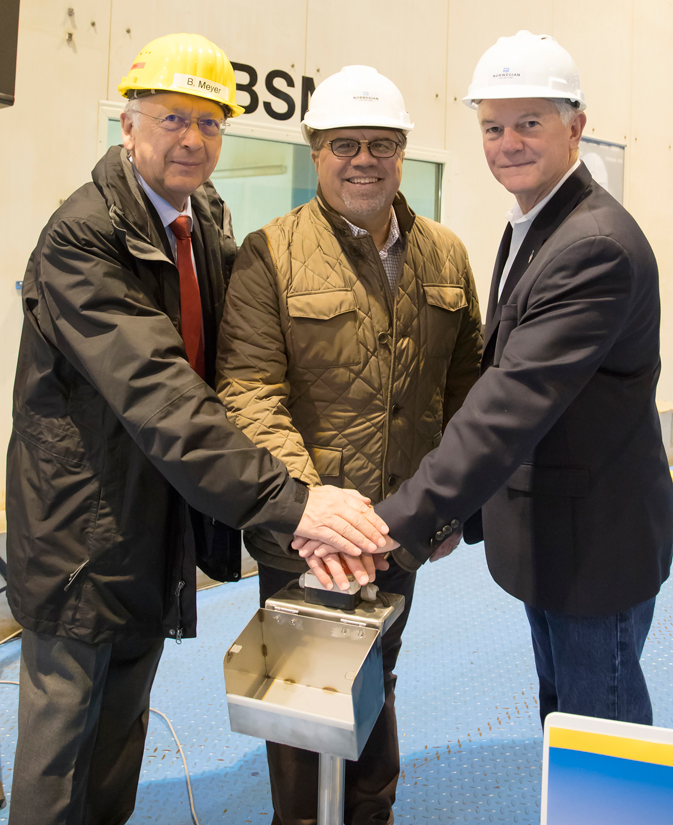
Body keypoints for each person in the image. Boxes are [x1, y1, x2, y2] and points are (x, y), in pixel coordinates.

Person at [5, 35, 388, 825]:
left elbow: (239, 367)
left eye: (211, 123)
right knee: (61, 748)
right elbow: (161, 397)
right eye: (172, 117)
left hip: (155, 522)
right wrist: (291, 503)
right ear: (128, 124)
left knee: (120, 733)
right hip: (81, 532)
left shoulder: (201, 221)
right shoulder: (84, 238)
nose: (192, 138)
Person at [301, 31, 673, 728]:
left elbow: (506, 407)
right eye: (493, 127)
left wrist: (394, 523)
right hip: (557, 534)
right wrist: (461, 513)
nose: (508, 143)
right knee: (563, 714)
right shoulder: (536, 222)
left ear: (575, 126)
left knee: (601, 728)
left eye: (528, 123)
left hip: (596, 541)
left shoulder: (591, 244)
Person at [217, 64, 482, 825]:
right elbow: (249, 393)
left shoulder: (444, 254)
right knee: (301, 699)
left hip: (399, 524)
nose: (362, 158)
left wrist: (444, 508)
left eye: (380, 143)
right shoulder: (271, 254)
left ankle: (372, 814)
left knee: (377, 673)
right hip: (306, 534)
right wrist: (309, 510)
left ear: (400, 152)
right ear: (314, 152)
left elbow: (465, 392)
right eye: (343, 144)